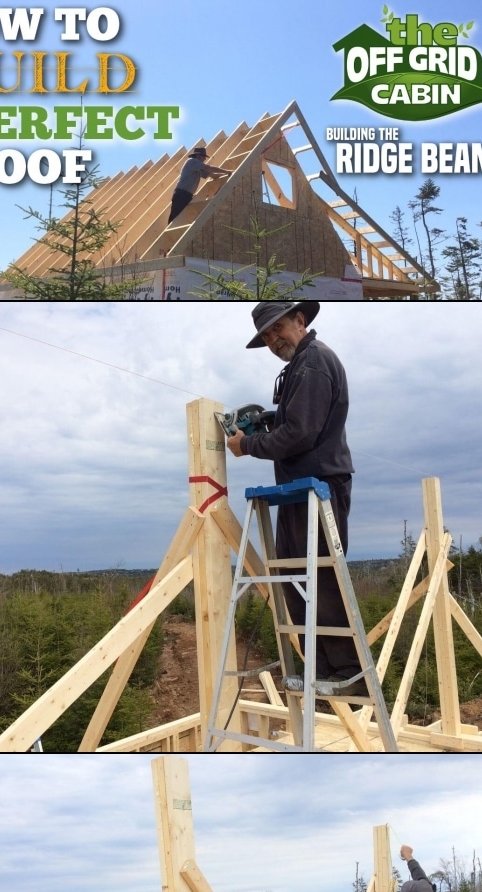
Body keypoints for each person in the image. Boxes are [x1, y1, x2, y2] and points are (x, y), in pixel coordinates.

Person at [225, 301, 363, 691]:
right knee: (295, 578)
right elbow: (299, 425)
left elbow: (301, 434)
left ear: (300, 321)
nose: (273, 339)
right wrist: (273, 421)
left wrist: (247, 444)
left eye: (278, 328)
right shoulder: (300, 367)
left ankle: (348, 673)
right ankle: (320, 668)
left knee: (322, 578)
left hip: (319, 486)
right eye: (267, 335)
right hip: (299, 489)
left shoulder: (313, 363)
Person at [168, 143, 230, 224]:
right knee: (175, 218)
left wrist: (227, 174)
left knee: (182, 218)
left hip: (187, 195)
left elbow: (213, 175)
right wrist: (226, 171)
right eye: (203, 157)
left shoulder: (197, 168)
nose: (204, 159)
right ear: (198, 156)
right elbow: (209, 168)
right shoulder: (192, 161)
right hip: (181, 194)